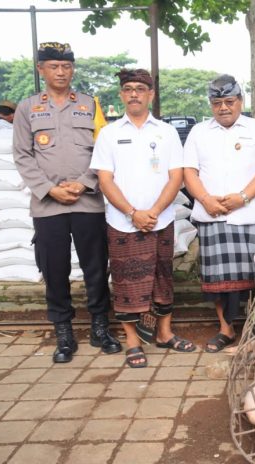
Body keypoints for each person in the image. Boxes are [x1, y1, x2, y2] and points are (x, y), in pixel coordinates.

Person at [12, 42, 121, 363]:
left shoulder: (90, 105)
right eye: (54, 66)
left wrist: (86, 182)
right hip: (48, 206)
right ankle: (64, 332)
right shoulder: (27, 108)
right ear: (41, 69)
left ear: (72, 69)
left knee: (96, 268)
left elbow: (104, 151)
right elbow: (22, 154)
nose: (61, 72)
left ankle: (101, 326)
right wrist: (48, 189)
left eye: (66, 66)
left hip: (88, 202)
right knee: (54, 269)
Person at [91, 68, 194, 368]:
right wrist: (132, 213)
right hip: (122, 222)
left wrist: (155, 211)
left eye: (140, 88)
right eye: (128, 88)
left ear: (151, 94)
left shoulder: (166, 132)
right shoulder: (109, 134)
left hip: (160, 220)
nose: (134, 93)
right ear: (121, 95)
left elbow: (177, 176)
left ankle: (164, 333)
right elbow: (105, 180)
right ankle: (133, 341)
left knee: (163, 277)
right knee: (126, 281)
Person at [183, 74, 255, 352]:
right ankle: (225, 329)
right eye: (217, 103)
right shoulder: (199, 131)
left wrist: (243, 197)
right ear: (211, 104)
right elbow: (189, 171)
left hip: (251, 215)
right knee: (219, 281)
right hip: (212, 215)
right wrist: (204, 199)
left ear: (240, 101)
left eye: (229, 101)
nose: (223, 108)